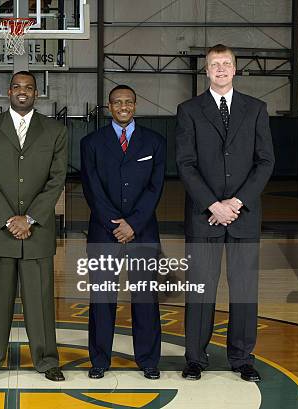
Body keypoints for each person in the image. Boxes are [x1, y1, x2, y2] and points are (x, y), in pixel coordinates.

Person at [175, 44, 274, 382]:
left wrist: (236, 202)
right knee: (201, 289)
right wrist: (213, 204)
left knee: (244, 289)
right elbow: (185, 164)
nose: (220, 69)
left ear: (235, 69)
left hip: (243, 216)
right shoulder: (188, 110)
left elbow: (266, 161)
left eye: (226, 64)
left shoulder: (256, 109)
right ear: (206, 71)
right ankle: (195, 358)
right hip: (205, 216)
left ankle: (242, 358)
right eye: (214, 64)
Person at [0, 71, 67, 382]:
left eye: (29, 87)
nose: (23, 92)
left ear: (36, 93)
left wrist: (30, 218)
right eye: (17, 87)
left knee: (40, 301)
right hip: (2, 231)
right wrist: (9, 219)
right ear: (7, 91)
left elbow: (56, 180)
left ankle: (47, 360)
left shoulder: (55, 131)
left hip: (37, 231)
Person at [80, 85, 166, 380]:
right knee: (102, 298)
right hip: (104, 233)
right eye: (117, 102)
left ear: (136, 104)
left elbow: (156, 188)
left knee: (145, 298)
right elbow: (91, 189)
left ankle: (148, 359)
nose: (123, 106)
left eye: (128, 101)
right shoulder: (91, 142)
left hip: (142, 232)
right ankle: (100, 360)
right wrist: (116, 225)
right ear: (109, 106)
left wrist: (134, 224)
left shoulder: (155, 142)